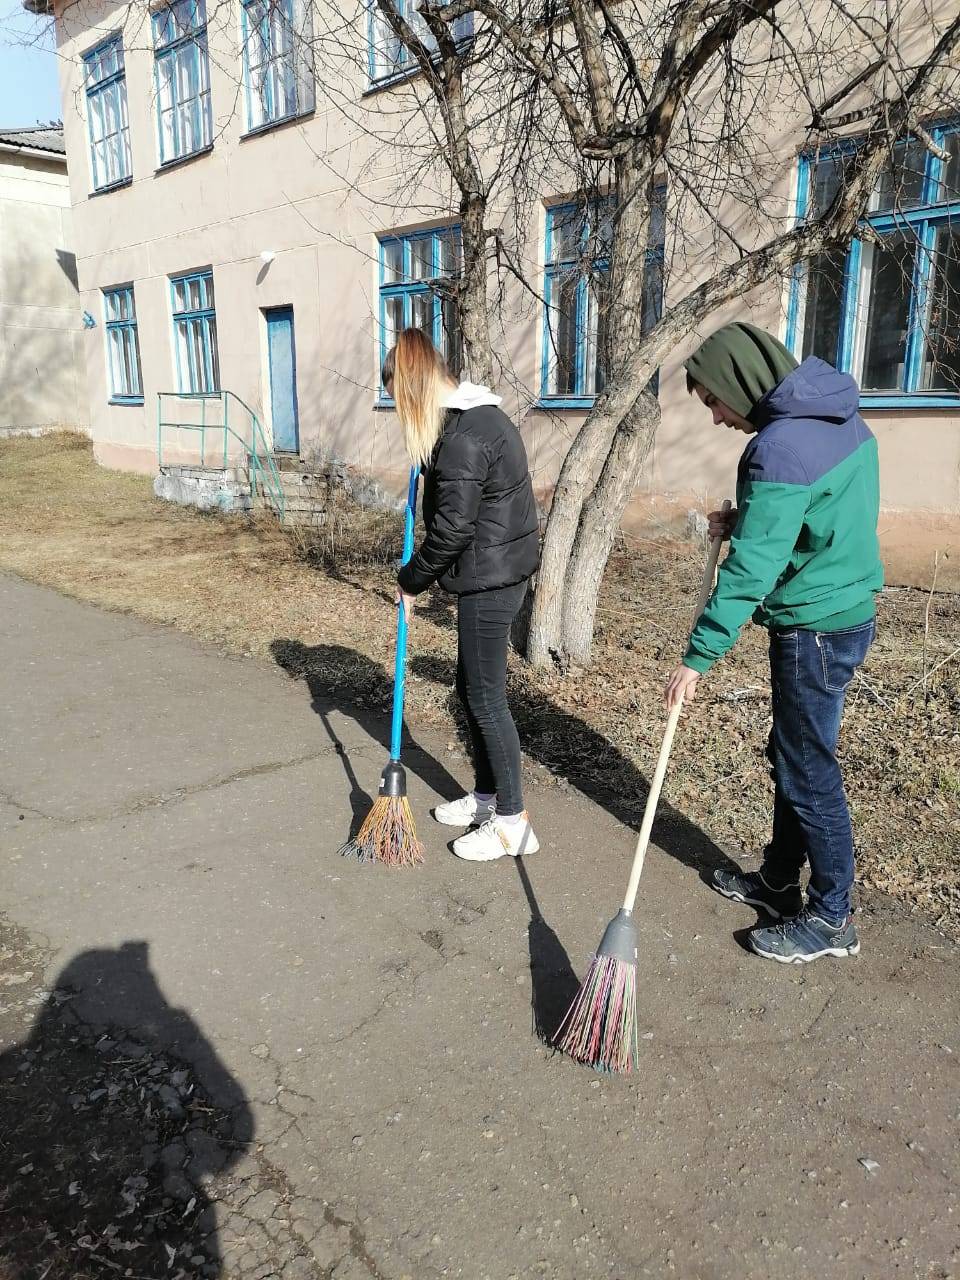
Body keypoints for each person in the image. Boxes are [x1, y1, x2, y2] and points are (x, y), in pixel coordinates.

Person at [665, 321, 882, 964]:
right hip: (845, 613)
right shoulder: (840, 418)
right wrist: (751, 520)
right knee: (794, 752)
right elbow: (825, 516)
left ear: (737, 382)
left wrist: (698, 656)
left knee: (808, 767)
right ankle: (781, 881)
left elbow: (750, 571)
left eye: (712, 401)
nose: (715, 418)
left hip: (813, 628)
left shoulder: (777, 448)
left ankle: (832, 915)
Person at [384, 327, 541, 861]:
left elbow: (451, 530)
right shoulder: (471, 421)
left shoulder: (464, 437)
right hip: (496, 571)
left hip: (490, 581)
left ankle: (512, 822)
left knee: (485, 697)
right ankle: (486, 798)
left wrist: (411, 581)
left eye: (398, 400)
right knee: (471, 688)